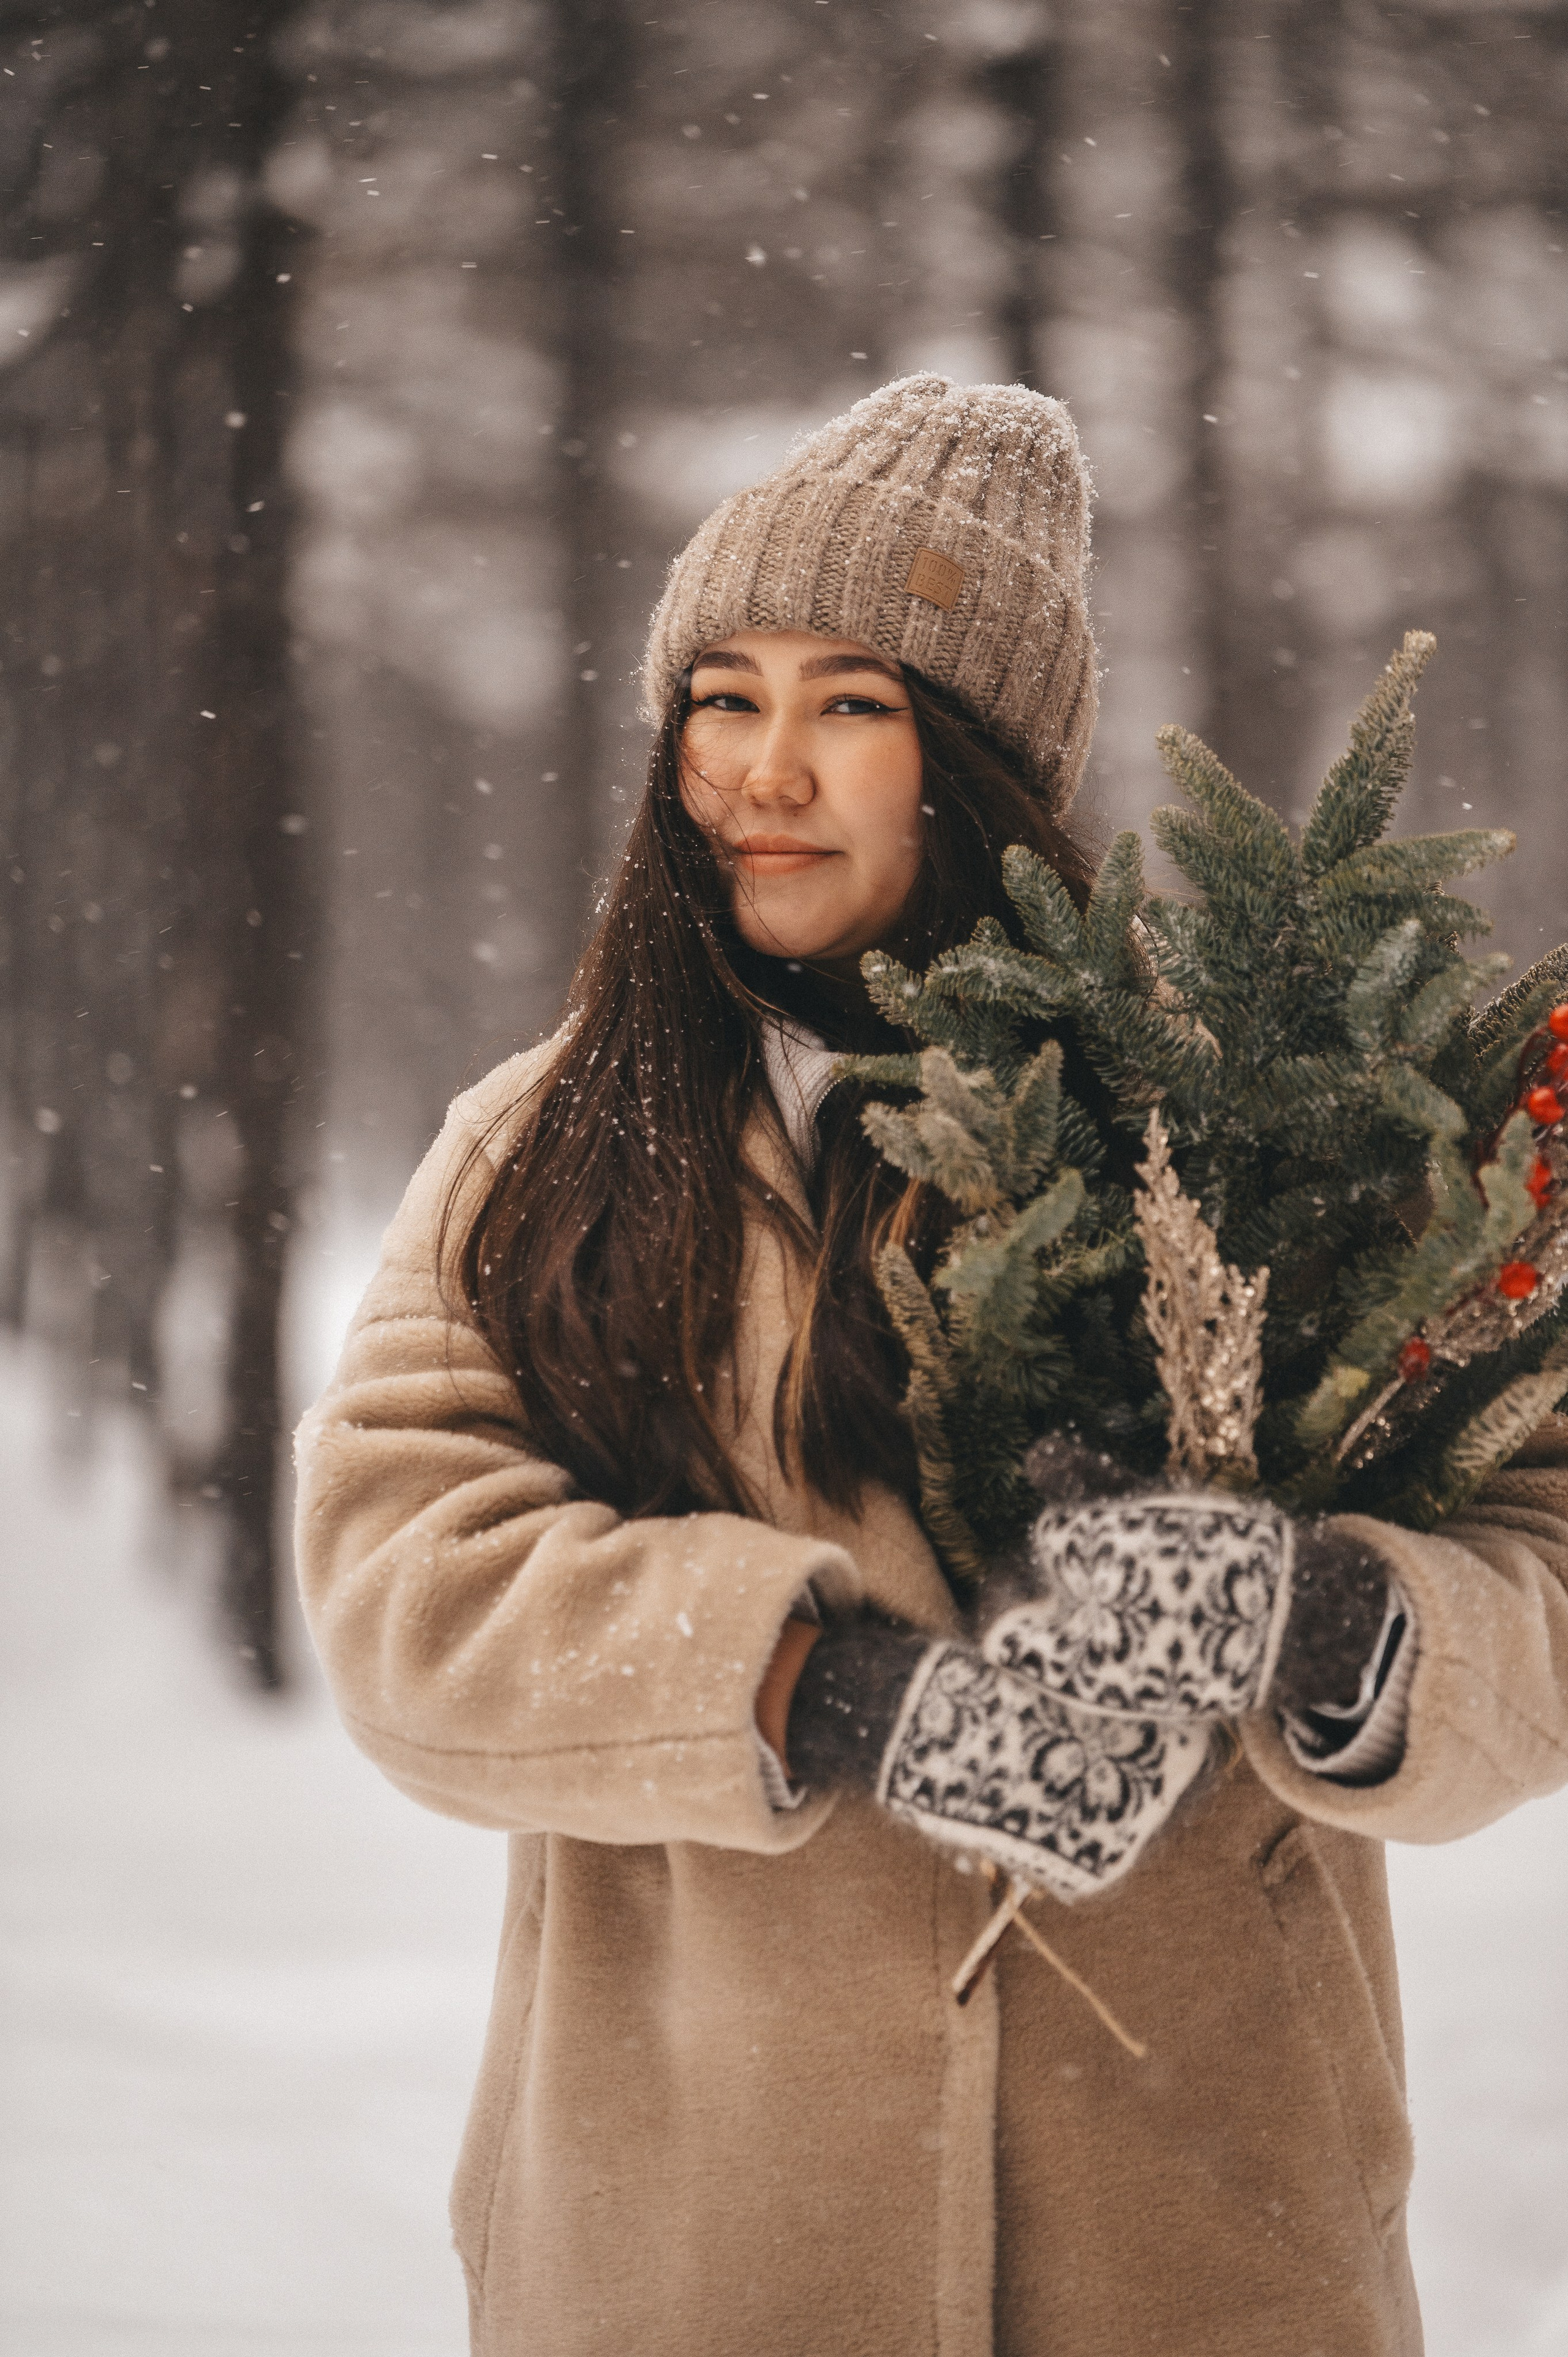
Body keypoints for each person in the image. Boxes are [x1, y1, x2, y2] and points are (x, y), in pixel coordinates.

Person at [293, 376, 1568, 2357]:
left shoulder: (1247, 1137)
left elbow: (1541, 1547)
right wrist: (827, 1689)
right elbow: (403, 1578)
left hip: (1209, 2244)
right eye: (722, 695)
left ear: (977, 764)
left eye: (853, 705)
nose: (765, 769)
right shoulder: (544, 1146)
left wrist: (1339, 1629)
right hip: (693, 2244)